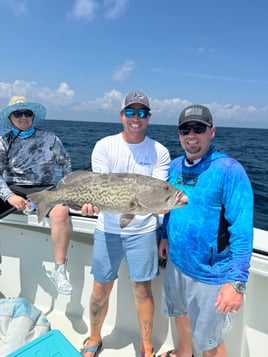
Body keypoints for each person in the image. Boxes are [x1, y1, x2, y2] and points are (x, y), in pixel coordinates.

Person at [80, 90, 173, 357]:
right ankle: (95, 337)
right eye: (130, 112)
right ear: (122, 115)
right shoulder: (104, 146)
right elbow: (99, 187)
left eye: (142, 112)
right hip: (107, 229)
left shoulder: (160, 151)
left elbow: (159, 193)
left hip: (143, 232)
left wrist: (162, 207)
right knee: (100, 289)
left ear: (149, 117)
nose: (136, 118)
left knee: (143, 290)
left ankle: (146, 345)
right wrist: (88, 202)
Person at [158, 104, 254, 357]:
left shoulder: (229, 170)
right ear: (179, 134)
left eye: (198, 129)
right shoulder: (175, 167)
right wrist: (164, 236)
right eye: (185, 129)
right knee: (179, 313)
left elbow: (242, 230)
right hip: (177, 262)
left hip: (210, 273)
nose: (191, 135)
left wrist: (237, 282)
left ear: (211, 131)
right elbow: (170, 207)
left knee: (208, 340)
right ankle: (182, 352)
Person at [0, 96, 73, 295]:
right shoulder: (3, 141)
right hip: (15, 187)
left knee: (61, 213)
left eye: (27, 113)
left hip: (46, 188)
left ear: (32, 116)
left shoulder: (50, 138)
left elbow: (65, 164)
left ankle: (59, 269)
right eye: (18, 113)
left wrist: (64, 191)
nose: (23, 117)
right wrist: (8, 196)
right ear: (10, 117)